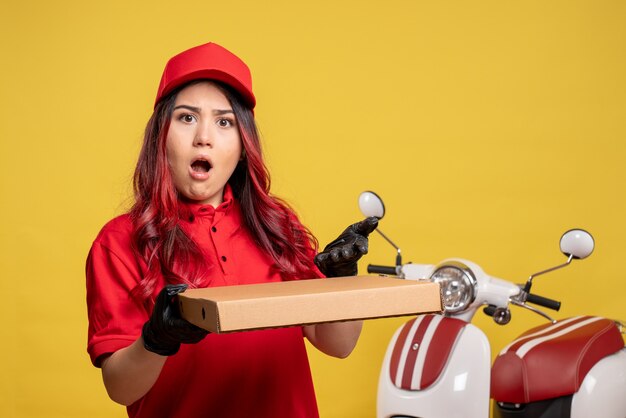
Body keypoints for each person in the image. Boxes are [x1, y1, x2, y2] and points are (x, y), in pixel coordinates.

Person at [86, 42, 378, 418]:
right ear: (161, 135)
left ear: (243, 146)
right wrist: (156, 341)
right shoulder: (119, 242)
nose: (203, 136)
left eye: (224, 122)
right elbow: (119, 387)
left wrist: (341, 282)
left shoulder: (278, 227)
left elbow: (337, 344)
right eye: (187, 118)